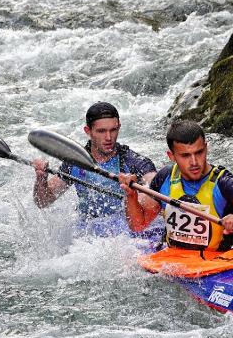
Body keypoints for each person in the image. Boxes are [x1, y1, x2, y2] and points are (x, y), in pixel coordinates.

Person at [118, 119, 233, 277]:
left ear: (206, 148)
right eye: (185, 155)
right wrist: (131, 196)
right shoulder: (165, 178)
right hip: (173, 260)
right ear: (171, 156)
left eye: (199, 152)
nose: (194, 162)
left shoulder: (224, 182)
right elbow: (138, 224)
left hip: (216, 266)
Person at [33, 101, 163, 241]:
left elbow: (155, 183)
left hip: (127, 233)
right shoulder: (75, 163)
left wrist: (145, 194)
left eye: (113, 130)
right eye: (101, 131)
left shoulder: (133, 161)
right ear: (88, 131)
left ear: (119, 127)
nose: (108, 137)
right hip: (89, 232)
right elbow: (43, 202)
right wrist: (41, 178)